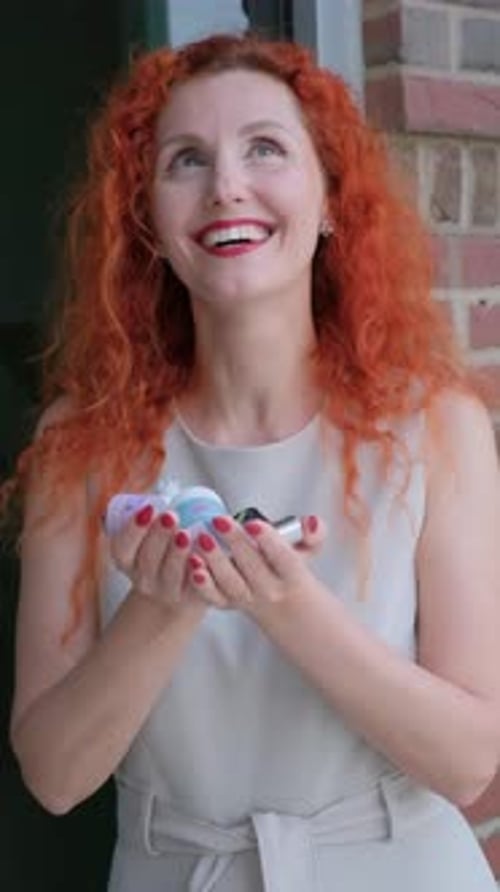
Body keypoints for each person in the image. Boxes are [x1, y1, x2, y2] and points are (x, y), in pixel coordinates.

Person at [6, 32, 500, 892]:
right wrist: (160, 610)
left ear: (332, 198)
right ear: (148, 225)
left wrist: (286, 605)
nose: (226, 185)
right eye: (185, 161)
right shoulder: (79, 444)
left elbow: (468, 765)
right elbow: (53, 776)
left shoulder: (435, 424)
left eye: (265, 148)